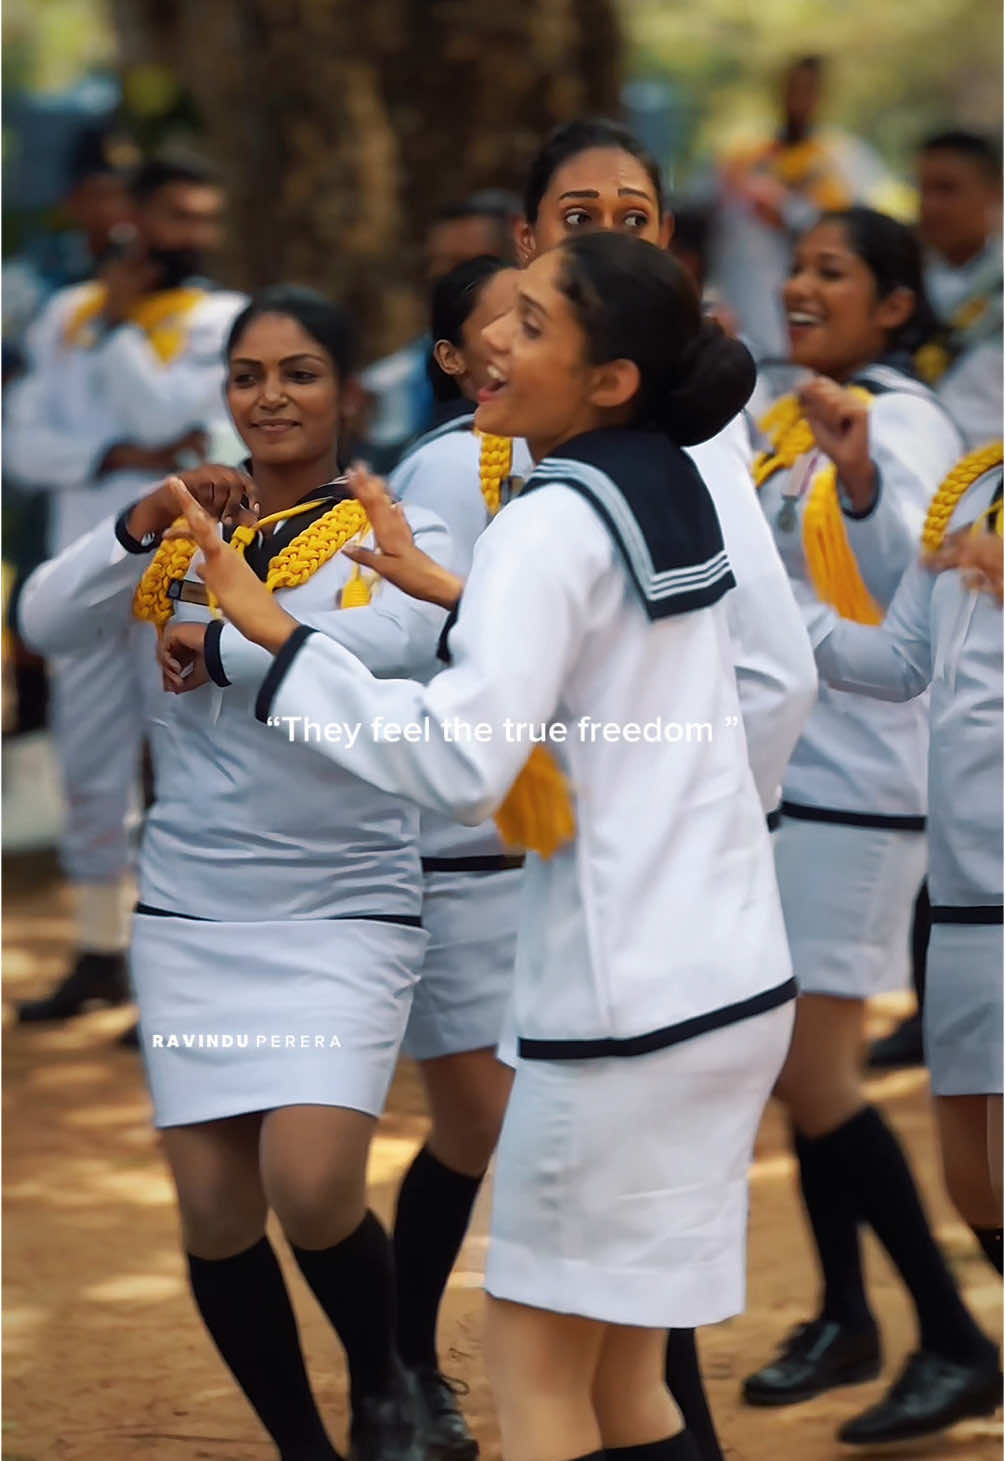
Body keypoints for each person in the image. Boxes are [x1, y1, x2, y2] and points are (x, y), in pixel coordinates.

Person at [163, 229, 797, 1461]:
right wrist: (460, 599)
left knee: (537, 1374)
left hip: (623, 1018)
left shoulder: (547, 522)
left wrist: (272, 639)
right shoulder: (659, 474)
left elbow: (460, 767)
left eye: (536, 325)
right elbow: (624, 670)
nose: (493, 342)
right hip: (725, 987)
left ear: (609, 378)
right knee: (629, 1384)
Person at [18, 287, 453, 1461]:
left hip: (344, 905)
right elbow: (46, 620)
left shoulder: (395, 533)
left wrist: (230, 642)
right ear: (227, 397)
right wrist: (136, 523)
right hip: (192, 914)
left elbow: (403, 658)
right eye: (251, 376)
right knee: (215, 1218)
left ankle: (388, 1380)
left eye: (301, 373)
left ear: (348, 393)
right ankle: (306, 1446)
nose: (272, 396)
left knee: (311, 1189)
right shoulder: (181, 532)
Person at [513, 115, 818, 1461]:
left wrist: (687, 836)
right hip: (623, 935)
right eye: (576, 214)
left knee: (575, 1356)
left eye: (632, 215)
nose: (604, 233)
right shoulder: (528, 426)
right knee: (631, 1366)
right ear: (526, 244)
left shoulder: (681, 432)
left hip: (647, 950)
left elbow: (773, 673)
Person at [742, 206, 1000, 1445]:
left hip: (865, 790)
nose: (799, 284)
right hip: (833, 795)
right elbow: (859, 621)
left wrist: (852, 477)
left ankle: (943, 1335)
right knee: (826, 1089)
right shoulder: (806, 422)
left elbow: (900, 593)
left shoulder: (903, 420)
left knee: (816, 1072)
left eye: (831, 271)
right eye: (795, 263)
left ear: (899, 305)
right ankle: (863, 1315)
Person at [6, 154, 246, 1025]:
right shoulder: (68, 315)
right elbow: (22, 444)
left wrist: (120, 337)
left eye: (207, 218)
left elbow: (168, 425)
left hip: (176, 573)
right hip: (83, 571)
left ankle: (175, 966)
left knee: (183, 755)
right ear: (133, 219)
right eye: (181, 215)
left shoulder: (219, 320)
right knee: (88, 759)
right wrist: (109, 457)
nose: (197, 236)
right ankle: (100, 952)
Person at [383, 254, 533, 1459]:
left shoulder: (568, 451)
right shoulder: (442, 471)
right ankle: (403, 1361)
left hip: (539, 842)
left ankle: (404, 1356)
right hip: (453, 845)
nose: (524, 338)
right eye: (504, 324)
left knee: (497, 1130)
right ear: (449, 359)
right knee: (490, 1127)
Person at [800, 441, 1003, 1294]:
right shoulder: (977, 484)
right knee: (977, 1186)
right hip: (961, 893)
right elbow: (899, 663)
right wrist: (764, 609)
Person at [710, 56, 905, 363]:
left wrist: (788, 210)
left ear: (822, 95)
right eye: (792, 87)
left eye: (808, 89)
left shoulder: (844, 159)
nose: (798, 98)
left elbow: (871, 236)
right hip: (745, 314)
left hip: (815, 329)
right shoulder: (742, 158)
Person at [360, 190, 522, 473]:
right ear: (448, 357)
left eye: (463, 264)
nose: (441, 275)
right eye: (436, 262)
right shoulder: (387, 382)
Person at [916, 130, 1003, 450]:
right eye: (923, 190)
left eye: (947, 189)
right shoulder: (898, 282)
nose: (930, 205)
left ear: (995, 192)